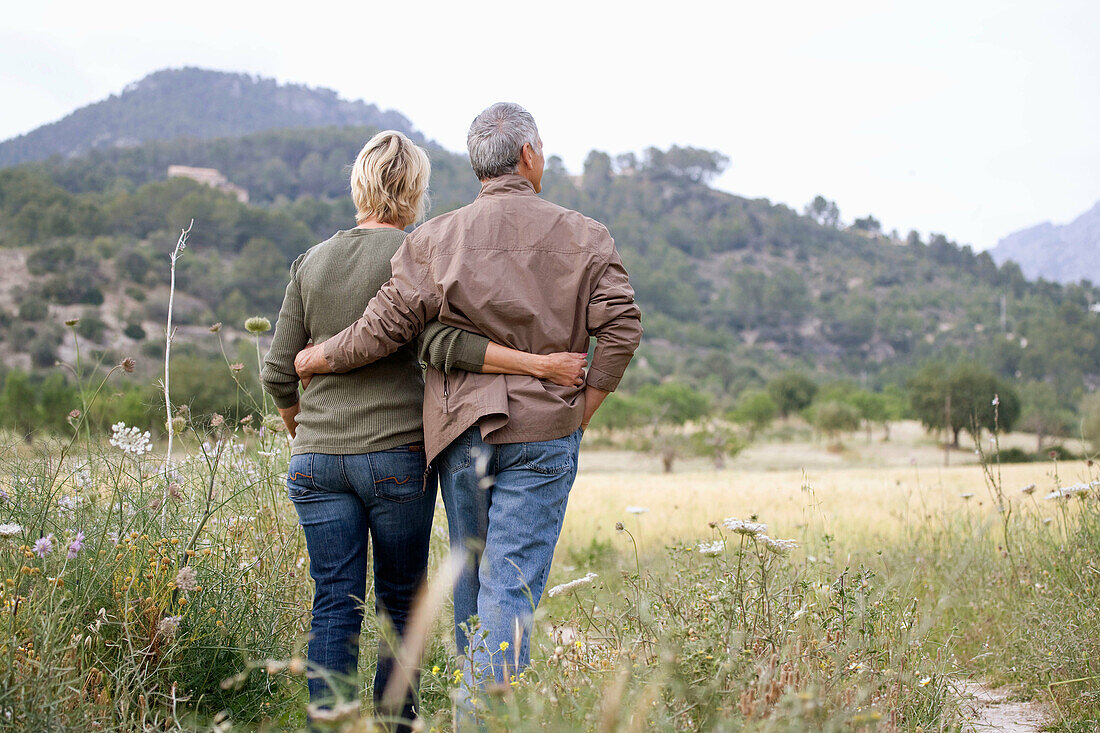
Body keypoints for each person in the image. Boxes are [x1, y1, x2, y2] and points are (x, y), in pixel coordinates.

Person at [292, 104, 643, 696]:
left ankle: (468, 705)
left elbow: (385, 328)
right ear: (529, 156)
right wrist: (579, 412)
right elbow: (622, 327)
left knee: (472, 580)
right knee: (511, 584)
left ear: (477, 166)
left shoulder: (434, 239)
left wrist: (316, 358)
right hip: (543, 433)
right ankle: (484, 715)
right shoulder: (587, 235)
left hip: (461, 433)